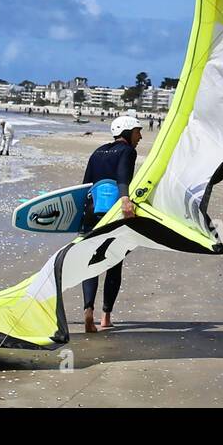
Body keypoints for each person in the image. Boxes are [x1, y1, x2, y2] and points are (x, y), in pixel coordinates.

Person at [80, 113, 142, 332]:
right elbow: (123, 175)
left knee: (90, 265)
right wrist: (125, 198)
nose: (140, 136)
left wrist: (79, 217)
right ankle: (105, 318)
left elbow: (85, 185)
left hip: (91, 212)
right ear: (127, 133)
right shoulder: (128, 151)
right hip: (113, 213)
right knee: (113, 262)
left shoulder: (97, 152)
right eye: (137, 131)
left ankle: (88, 309)